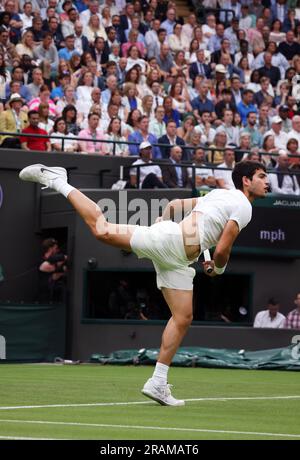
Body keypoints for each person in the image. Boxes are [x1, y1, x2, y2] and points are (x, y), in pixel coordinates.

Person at [19, 160, 269, 406]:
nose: (266, 181)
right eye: (261, 176)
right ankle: (57, 179)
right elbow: (223, 248)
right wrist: (218, 269)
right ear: (246, 181)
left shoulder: (218, 194)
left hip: (179, 259)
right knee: (101, 229)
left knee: (183, 317)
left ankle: (158, 382)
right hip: (171, 242)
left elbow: (174, 205)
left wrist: (164, 218)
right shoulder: (243, 206)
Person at [38, 237, 68, 303]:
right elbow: (52, 267)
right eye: (55, 247)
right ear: (50, 248)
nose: (57, 249)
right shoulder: (42, 262)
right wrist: (63, 258)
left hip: (55, 296)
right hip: (45, 298)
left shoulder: (54, 260)